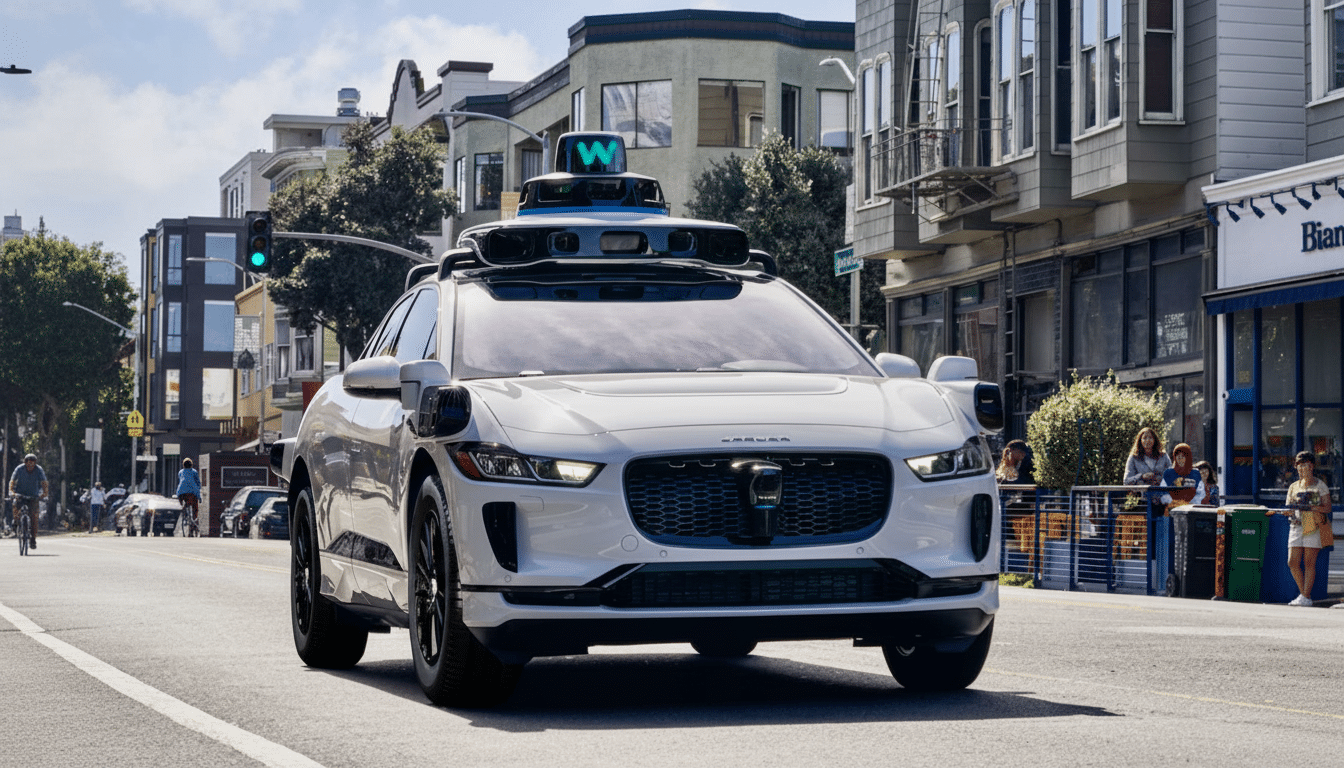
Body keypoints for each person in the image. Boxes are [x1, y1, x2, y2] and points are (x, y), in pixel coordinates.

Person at [1282, 451, 1333, 607]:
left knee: (1309, 562)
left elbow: (1328, 508)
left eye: (1304, 465)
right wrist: (1288, 512)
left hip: (1313, 526)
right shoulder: (1293, 486)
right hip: (1296, 525)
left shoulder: (1320, 485)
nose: (1301, 468)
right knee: (1292, 562)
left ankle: (1305, 596)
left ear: (1311, 466)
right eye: (1298, 465)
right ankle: (1305, 595)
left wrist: (1313, 507)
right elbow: (1288, 507)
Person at [9, 453, 48, 550]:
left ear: (35, 463)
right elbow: (12, 482)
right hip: (20, 495)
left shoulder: (39, 470)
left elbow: (44, 483)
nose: (31, 466)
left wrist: (44, 494)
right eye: (29, 463)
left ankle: (33, 539)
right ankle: (16, 521)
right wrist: (12, 492)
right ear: (25, 463)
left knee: (34, 517)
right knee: (15, 504)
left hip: (33, 496)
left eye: (33, 464)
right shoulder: (19, 469)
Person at [1161, 443, 1205, 508]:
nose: (1179, 458)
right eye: (1177, 456)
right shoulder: (1168, 473)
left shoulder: (1195, 473)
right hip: (1172, 508)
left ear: (1188, 457)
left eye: (1183, 456)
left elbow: (1200, 493)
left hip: (1191, 509)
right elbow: (1162, 492)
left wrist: (1190, 504)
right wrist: (1173, 502)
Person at [176, 458, 202, 535]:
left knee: (184, 502)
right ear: (191, 465)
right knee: (195, 507)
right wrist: (199, 489)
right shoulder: (194, 472)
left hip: (182, 492)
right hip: (192, 492)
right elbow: (198, 482)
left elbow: (180, 480)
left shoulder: (180, 472)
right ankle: (194, 520)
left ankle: (184, 512)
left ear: (183, 465)